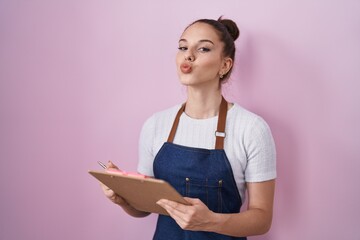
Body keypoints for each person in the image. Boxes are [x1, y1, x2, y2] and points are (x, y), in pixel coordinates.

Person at [101, 16, 276, 239]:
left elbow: (262, 219)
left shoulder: (252, 129)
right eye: (183, 47)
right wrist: (123, 198)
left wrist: (212, 221)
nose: (188, 55)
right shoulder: (156, 125)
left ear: (225, 65)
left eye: (203, 49)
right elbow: (145, 208)